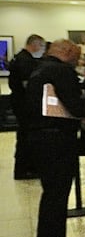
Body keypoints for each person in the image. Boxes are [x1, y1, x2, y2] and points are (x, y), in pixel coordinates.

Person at [22, 39, 85, 237]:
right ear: (67, 52)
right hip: (56, 140)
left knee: (53, 196)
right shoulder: (60, 71)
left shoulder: (40, 69)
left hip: (41, 139)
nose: (78, 61)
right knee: (55, 198)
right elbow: (77, 107)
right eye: (77, 55)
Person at [8, 34, 45, 179]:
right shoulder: (26, 61)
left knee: (24, 135)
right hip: (24, 103)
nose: (42, 50)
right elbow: (27, 84)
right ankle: (25, 169)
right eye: (41, 46)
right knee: (26, 137)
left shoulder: (20, 57)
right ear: (34, 44)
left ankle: (25, 168)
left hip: (19, 101)